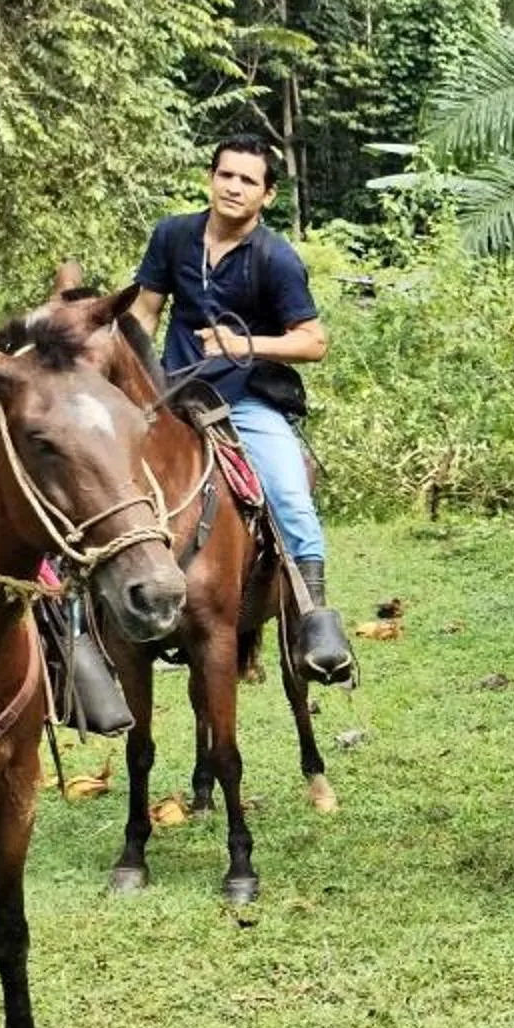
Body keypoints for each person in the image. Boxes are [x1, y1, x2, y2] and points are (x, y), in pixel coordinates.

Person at [128, 137, 355, 686]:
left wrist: (243, 345)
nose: (234, 187)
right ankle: (81, 624)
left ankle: (315, 619)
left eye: (248, 180)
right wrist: (132, 383)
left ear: (267, 194)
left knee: (289, 493)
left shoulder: (276, 258)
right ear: (211, 178)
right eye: (226, 175)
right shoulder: (173, 235)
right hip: (172, 393)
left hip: (245, 400)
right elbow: (145, 312)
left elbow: (313, 342)